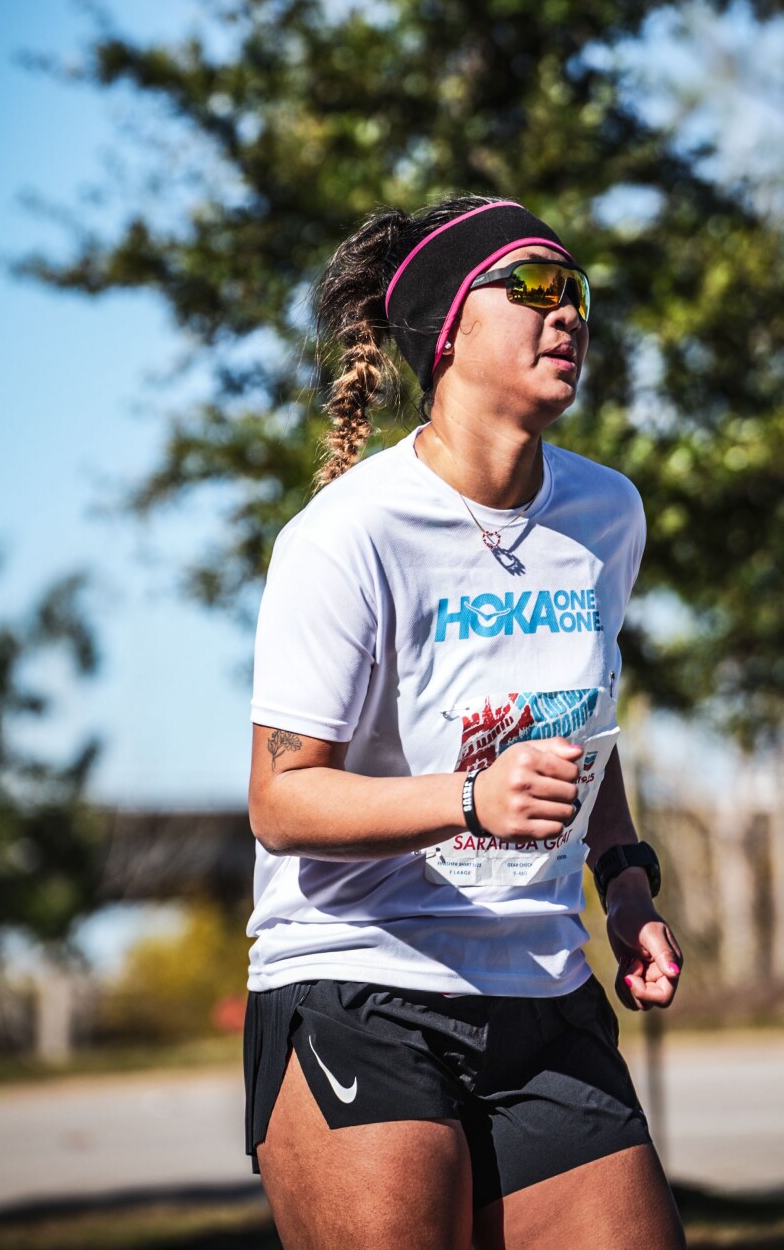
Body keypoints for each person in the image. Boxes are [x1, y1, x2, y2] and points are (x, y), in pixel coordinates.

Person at [244, 195, 686, 1250]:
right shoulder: (346, 536)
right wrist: (471, 799)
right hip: (359, 981)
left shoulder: (606, 515)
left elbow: (585, 736)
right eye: (532, 285)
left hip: (542, 985)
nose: (566, 311)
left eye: (576, 290)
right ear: (446, 327)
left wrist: (625, 885)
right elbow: (281, 800)